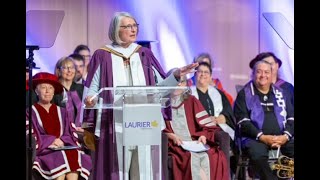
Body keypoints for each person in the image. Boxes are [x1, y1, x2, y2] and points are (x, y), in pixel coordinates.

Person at [82, 11, 198, 180]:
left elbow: (160, 89)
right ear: (115, 29)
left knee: (142, 170)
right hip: (115, 121)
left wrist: (176, 76)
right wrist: (90, 100)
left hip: (144, 120)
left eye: (135, 25)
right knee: (117, 169)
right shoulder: (103, 55)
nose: (133, 29)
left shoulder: (144, 54)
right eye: (128, 26)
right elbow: (92, 88)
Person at [233, 60, 294, 180]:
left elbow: (291, 118)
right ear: (253, 74)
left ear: (272, 75)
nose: (263, 75)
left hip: (282, 137)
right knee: (257, 155)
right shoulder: (244, 94)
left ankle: (282, 174)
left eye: (267, 72)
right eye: (259, 72)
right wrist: (263, 137)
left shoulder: (282, 93)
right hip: (255, 138)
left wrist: (285, 137)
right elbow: (243, 122)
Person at [26, 72, 92, 180]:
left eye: (50, 88)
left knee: (73, 155)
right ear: (36, 91)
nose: (47, 91)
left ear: (54, 92)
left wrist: (62, 141)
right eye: (43, 88)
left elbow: (70, 132)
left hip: (63, 146)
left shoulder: (62, 111)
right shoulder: (30, 112)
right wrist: (51, 140)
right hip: (45, 150)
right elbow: (31, 134)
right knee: (59, 162)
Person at [164, 73, 229, 180]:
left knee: (211, 156)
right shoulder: (162, 103)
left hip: (195, 142)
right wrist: (171, 136)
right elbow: (157, 129)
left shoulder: (191, 100)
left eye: (181, 82)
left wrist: (203, 136)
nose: (178, 85)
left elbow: (207, 126)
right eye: (175, 81)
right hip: (175, 144)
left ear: (186, 84)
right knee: (189, 157)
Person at [189, 62, 236, 175]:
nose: (203, 75)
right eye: (200, 72)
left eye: (206, 72)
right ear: (195, 75)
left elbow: (228, 112)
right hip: (197, 129)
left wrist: (222, 117)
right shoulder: (188, 93)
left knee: (228, 139)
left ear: (210, 76)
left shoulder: (219, 93)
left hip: (217, 128)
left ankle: (225, 173)